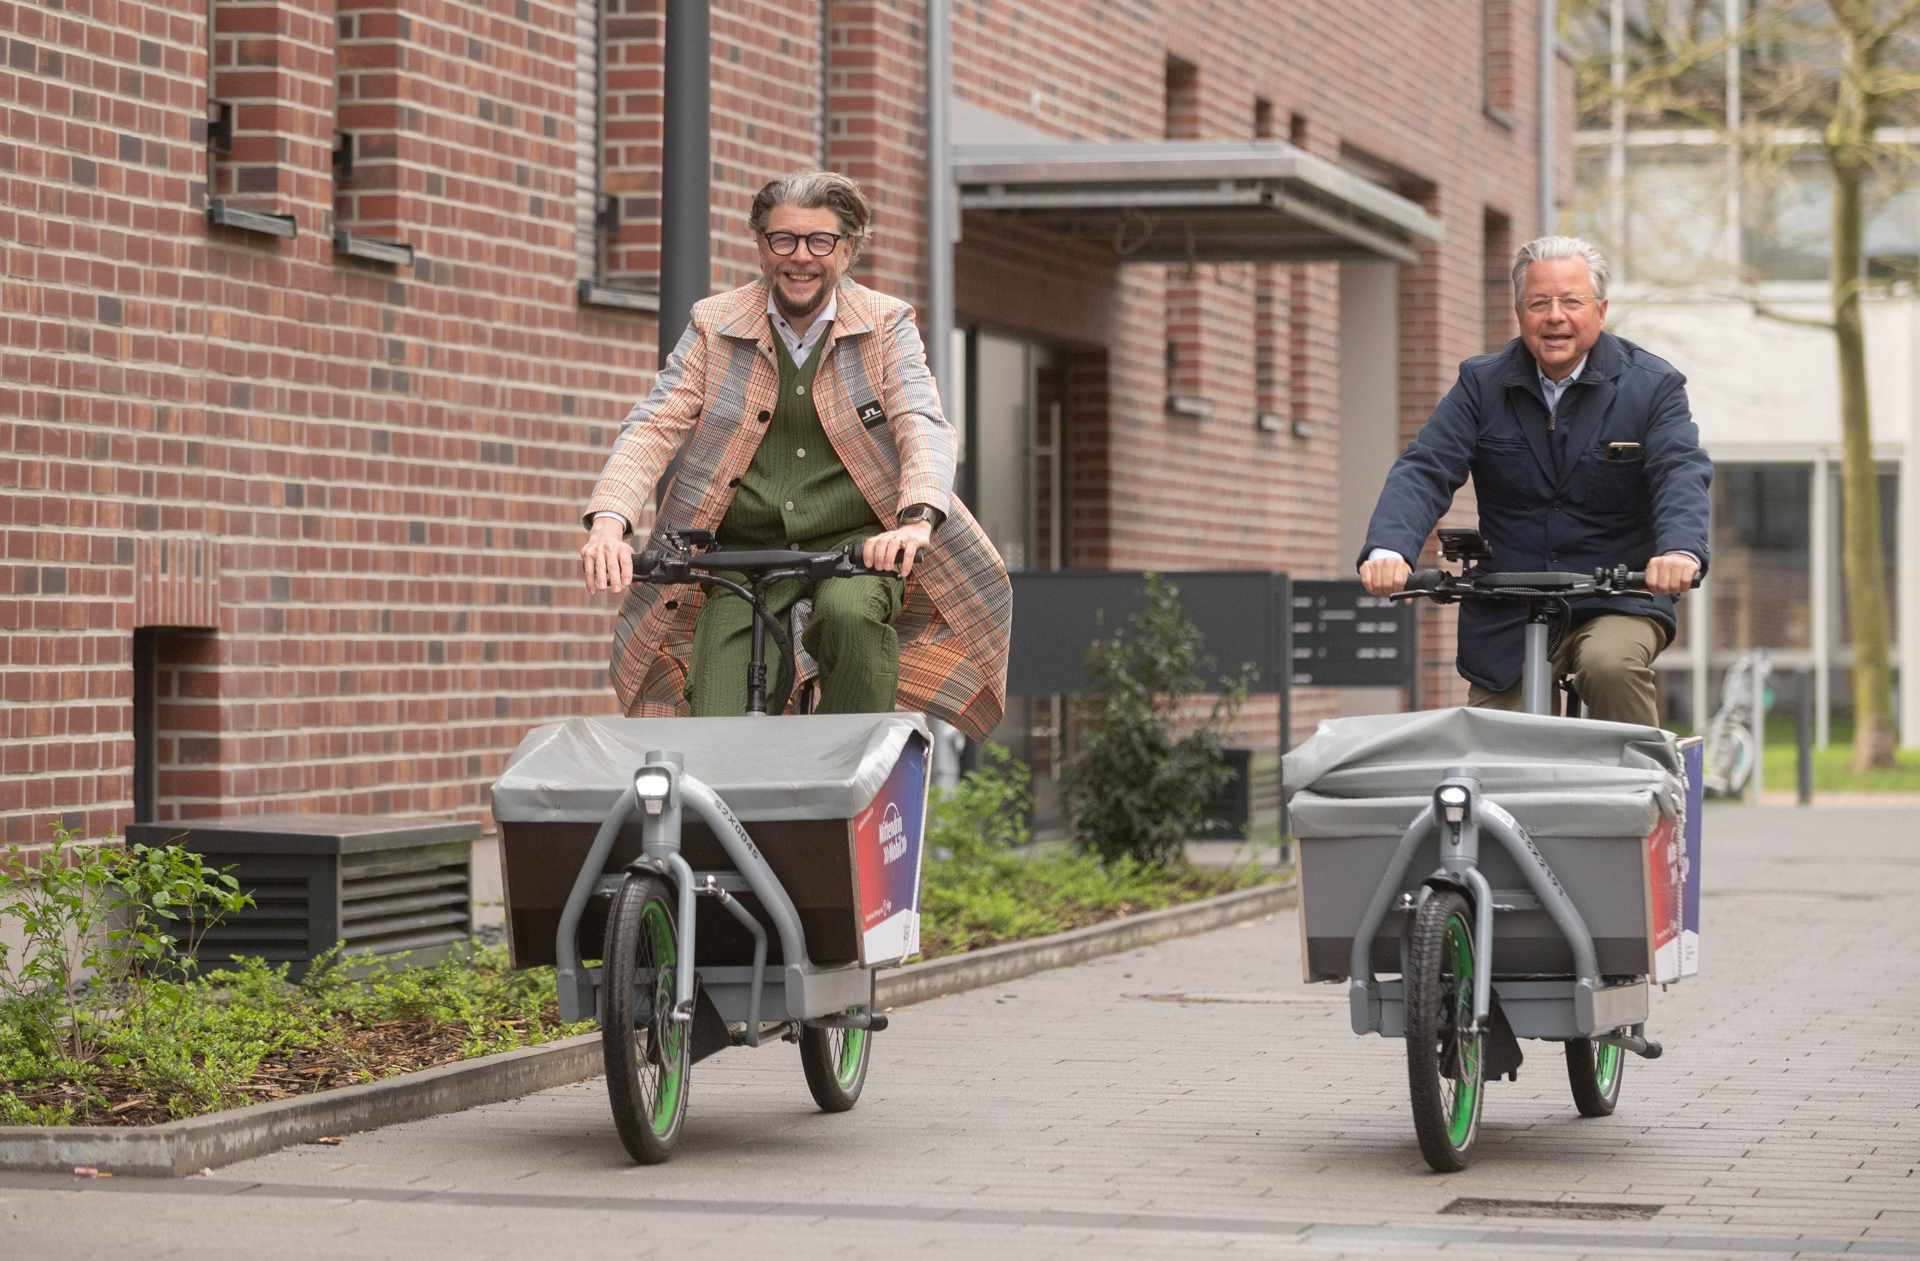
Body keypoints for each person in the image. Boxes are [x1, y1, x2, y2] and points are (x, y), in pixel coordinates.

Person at [578, 171, 1012, 738]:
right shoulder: (716, 324)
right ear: (761, 245)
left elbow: (920, 422)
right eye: (783, 240)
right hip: (744, 556)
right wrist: (610, 525)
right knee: (716, 703)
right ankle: (730, 817)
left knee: (850, 618)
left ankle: (851, 786)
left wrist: (914, 522)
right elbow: (654, 424)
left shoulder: (884, 325)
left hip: (859, 551)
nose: (800, 257)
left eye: (820, 241)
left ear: (849, 248)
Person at [1357, 235, 1712, 726]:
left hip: (1617, 597)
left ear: (1601, 310)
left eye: (1571, 301)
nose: (1555, 316)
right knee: (1500, 745)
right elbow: (1425, 468)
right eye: (1539, 302)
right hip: (1511, 604)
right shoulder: (1481, 385)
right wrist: (1389, 550)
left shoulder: (1652, 387)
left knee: (1609, 665)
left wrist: (1680, 552)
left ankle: (1650, 792)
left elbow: (1679, 471)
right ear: (1520, 312)